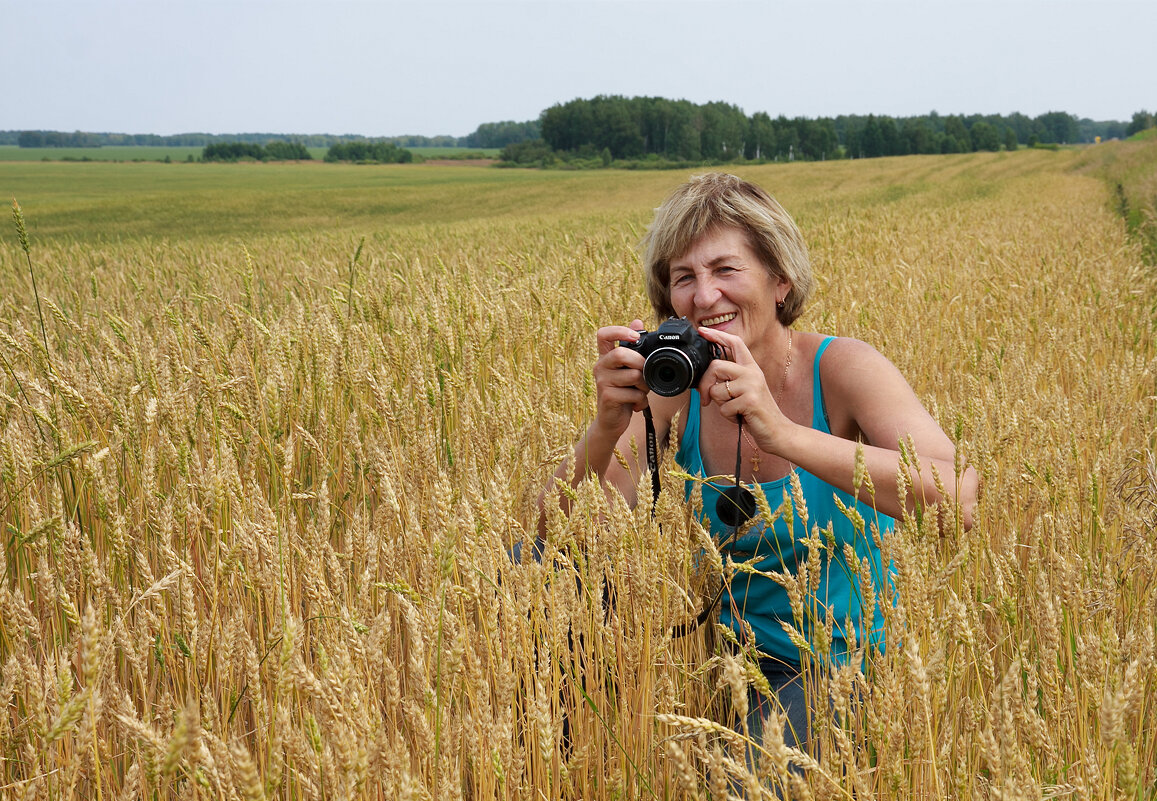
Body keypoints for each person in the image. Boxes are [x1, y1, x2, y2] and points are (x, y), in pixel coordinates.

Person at [539, 172, 978, 756]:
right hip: (716, 656)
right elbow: (563, 538)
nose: (704, 296)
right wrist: (606, 427)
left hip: (831, 663)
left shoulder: (841, 369)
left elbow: (957, 501)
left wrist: (784, 433)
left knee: (752, 779)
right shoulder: (675, 386)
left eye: (726, 270)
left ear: (780, 280)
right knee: (530, 565)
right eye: (683, 278)